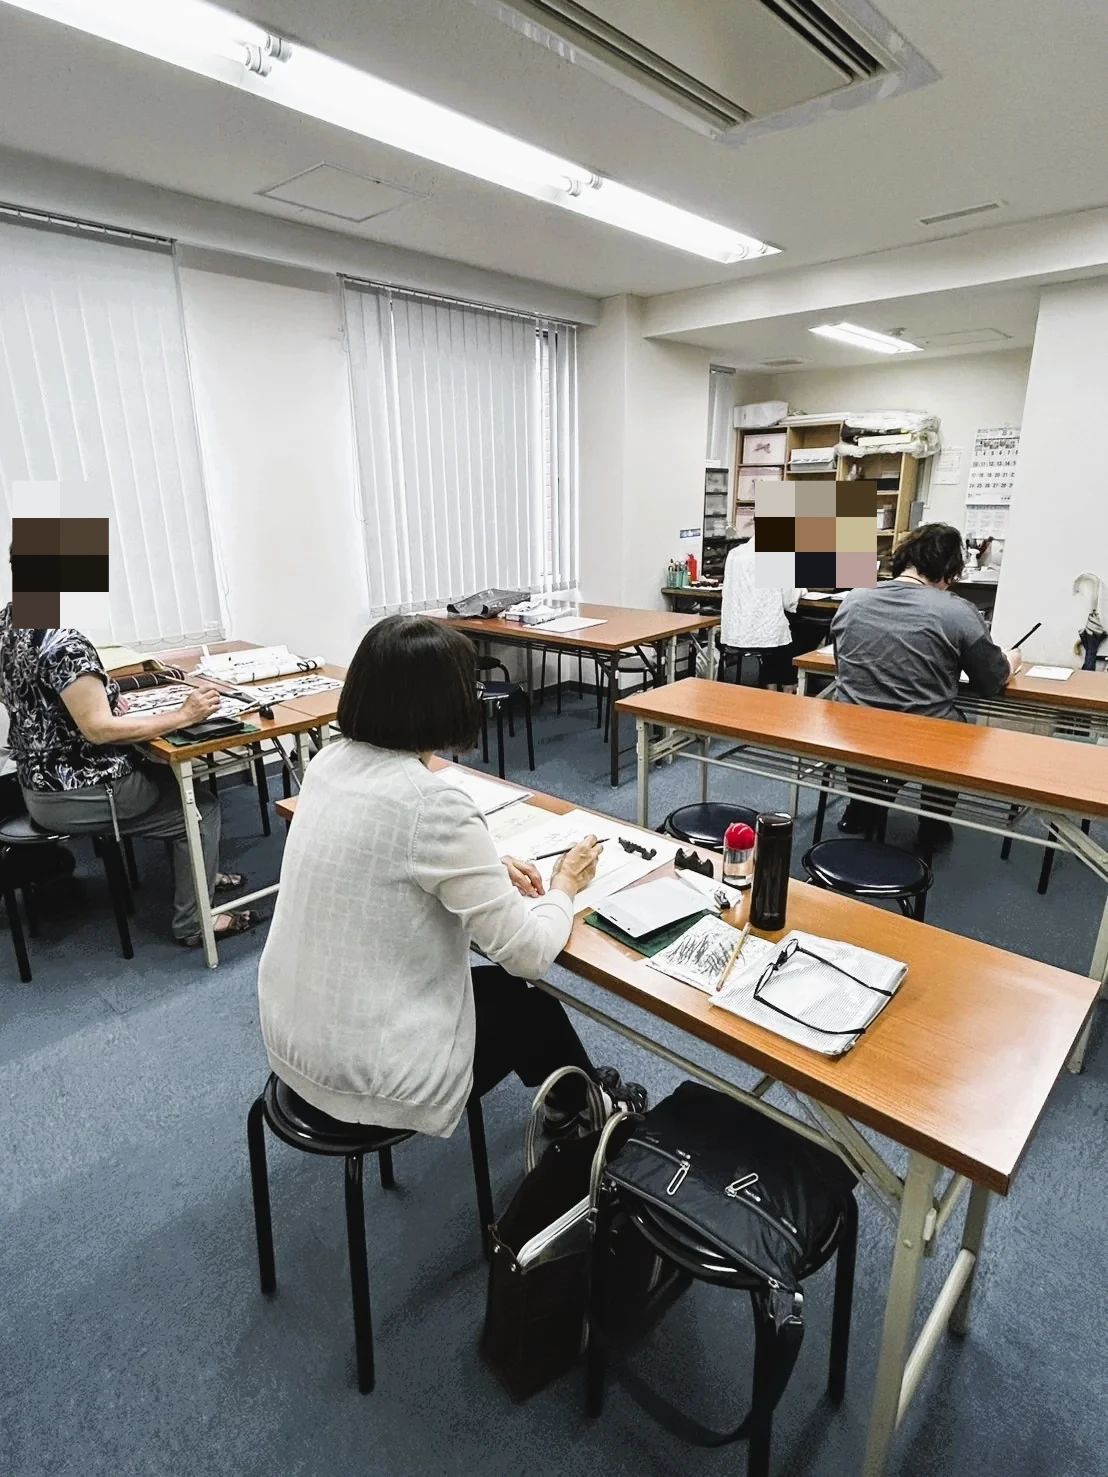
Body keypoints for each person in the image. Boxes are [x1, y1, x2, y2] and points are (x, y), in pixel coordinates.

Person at [257, 614, 643, 1137]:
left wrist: (482, 867)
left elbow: (377, 856)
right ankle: (591, 1114)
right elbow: (529, 952)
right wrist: (565, 885)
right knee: (528, 1000)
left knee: (509, 999)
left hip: (293, 1036)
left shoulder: (329, 762)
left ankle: (575, 1103)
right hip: (364, 1069)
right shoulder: (431, 803)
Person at [0, 608, 259, 946]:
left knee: (173, 778)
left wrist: (100, 698)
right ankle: (194, 924)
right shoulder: (65, 644)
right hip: (80, 793)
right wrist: (184, 714)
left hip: (36, 787)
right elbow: (99, 730)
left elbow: (43, 701)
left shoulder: (9, 625)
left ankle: (201, 872)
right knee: (200, 809)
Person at [829, 522, 1019, 845]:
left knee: (861, 712)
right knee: (956, 730)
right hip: (922, 735)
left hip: (851, 730)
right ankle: (933, 823)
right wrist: (1012, 658)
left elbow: (843, 665)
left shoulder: (854, 599)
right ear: (948, 571)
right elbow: (991, 681)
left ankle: (862, 806)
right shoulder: (957, 611)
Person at [719, 535, 804, 689]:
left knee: (777, 638)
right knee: (796, 637)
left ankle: (769, 688)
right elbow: (790, 601)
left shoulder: (735, 554)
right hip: (768, 639)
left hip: (735, 635)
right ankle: (788, 690)